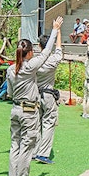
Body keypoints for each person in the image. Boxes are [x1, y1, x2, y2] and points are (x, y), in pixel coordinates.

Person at [5, 16, 63, 176]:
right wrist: (55, 29)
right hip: (28, 111)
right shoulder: (29, 67)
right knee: (26, 148)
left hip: (15, 110)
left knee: (15, 146)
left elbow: (9, 93)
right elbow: (46, 54)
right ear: (29, 52)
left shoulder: (10, 69)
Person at [32, 33, 64, 165]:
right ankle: (43, 154)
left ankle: (34, 151)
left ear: (39, 46)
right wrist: (58, 32)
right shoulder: (53, 60)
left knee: (36, 123)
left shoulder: (34, 62)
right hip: (49, 95)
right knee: (49, 123)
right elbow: (58, 49)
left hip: (35, 95)